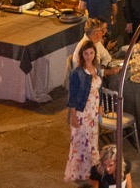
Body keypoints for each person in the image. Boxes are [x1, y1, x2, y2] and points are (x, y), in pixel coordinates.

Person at [63, 43, 102, 183]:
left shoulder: (97, 69)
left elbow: (99, 90)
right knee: (81, 140)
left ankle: (91, 168)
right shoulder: (77, 73)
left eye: (91, 53)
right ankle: (80, 171)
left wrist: (100, 106)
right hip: (82, 110)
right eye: (86, 53)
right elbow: (72, 97)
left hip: (93, 110)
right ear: (82, 54)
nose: (89, 56)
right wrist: (73, 116)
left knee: (92, 139)